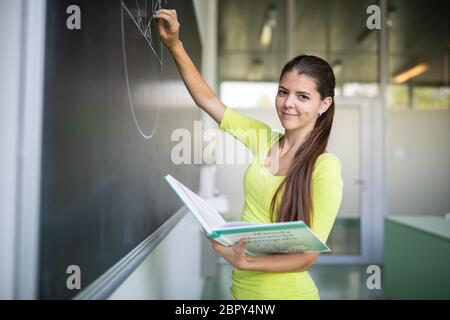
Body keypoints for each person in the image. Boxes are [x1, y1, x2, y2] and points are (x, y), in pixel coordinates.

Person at [156, 9, 344, 300]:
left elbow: (308, 256)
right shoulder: (263, 138)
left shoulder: (325, 167)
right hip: (242, 291)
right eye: (283, 92)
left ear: (324, 104)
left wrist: (245, 261)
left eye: (303, 96)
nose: (288, 103)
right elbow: (208, 100)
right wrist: (175, 45)